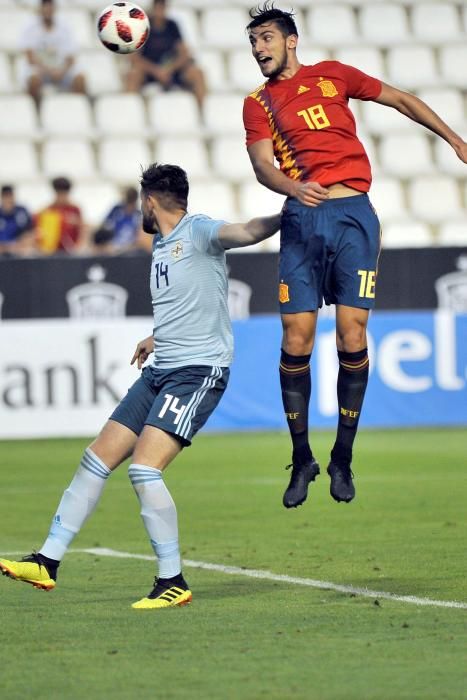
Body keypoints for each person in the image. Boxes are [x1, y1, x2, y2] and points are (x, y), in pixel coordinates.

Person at [0, 163, 281, 609]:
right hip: (161, 367)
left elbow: (247, 231)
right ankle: (46, 561)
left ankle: (172, 580)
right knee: (95, 459)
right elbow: (187, 300)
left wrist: (290, 211)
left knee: (144, 470)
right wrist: (157, 337)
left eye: (140, 202)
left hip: (197, 372)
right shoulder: (162, 244)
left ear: (150, 201)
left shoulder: (199, 231)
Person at [242, 3, 467, 509]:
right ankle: (302, 457)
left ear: (291, 40)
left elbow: (401, 100)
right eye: (253, 42)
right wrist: (292, 188)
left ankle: (342, 456)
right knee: (296, 338)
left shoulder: (333, 76)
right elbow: (261, 166)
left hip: (353, 217)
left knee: (352, 333)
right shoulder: (258, 102)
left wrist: (455, 139)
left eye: (266, 39)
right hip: (302, 218)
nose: (258, 49)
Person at [126, 0, 206, 115]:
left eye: (162, 8)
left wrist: (169, 69)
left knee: (197, 73)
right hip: (150, 71)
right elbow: (134, 57)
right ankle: (131, 114)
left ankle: (202, 114)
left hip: (171, 69)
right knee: (132, 75)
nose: (160, 11)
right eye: (158, 8)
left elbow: (184, 53)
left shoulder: (172, 26)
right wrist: (156, 71)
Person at [19, 0, 86, 104]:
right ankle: (35, 110)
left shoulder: (65, 27)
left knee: (80, 78)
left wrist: (61, 71)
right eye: (45, 6)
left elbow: (71, 57)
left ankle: (76, 108)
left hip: (61, 70)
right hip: (41, 70)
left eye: (50, 6)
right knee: (33, 79)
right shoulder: (30, 27)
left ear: (54, 8)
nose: (47, 10)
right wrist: (49, 71)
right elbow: (30, 57)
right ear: (40, 9)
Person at [35, 176, 87, 254]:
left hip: (71, 252)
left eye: (65, 194)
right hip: (51, 252)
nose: (62, 197)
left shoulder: (75, 209)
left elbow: (83, 229)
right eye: (60, 194)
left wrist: (79, 246)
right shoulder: (47, 211)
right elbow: (39, 232)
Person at [92, 186, 149, 255]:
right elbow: (103, 226)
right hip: (113, 247)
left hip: (130, 249)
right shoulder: (117, 210)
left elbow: (140, 237)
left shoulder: (138, 215)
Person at [0, 185, 35, 257]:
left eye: (10, 196)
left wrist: (21, 244)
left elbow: (30, 233)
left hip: (19, 248)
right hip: (2, 249)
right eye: (6, 197)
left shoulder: (22, 212)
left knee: (29, 251)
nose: (8, 200)